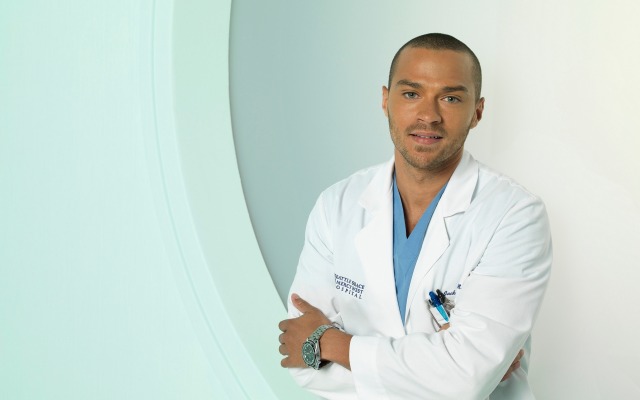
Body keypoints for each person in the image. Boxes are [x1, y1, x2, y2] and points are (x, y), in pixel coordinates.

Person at [277, 33, 552, 399]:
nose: (429, 115)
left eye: (451, 98)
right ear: (385, 100)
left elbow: (466, 378)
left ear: (477, 112)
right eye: (411, 94)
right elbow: (301, 359)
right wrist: (442, 367)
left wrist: (332, 345)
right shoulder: (336, 206)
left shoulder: (514, 215)